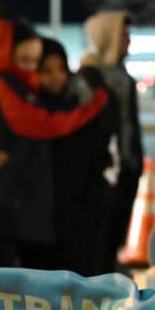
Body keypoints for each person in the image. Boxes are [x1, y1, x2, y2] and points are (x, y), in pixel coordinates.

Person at [0, 12, 108, 268]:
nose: (33, 73)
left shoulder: (11, 86)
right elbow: (45, 123)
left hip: (16, 215)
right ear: (4, 55)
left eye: (34, 63)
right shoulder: (2, 89)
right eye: (26, 62)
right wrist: (94, 105)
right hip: (2, 213)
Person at [37, 38, 117, 277]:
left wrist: (99, 200)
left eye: (61, 69)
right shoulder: (28, 113)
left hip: (82, 220)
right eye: (47, 70)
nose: (56, 77)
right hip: (41, 229)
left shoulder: (83, 109)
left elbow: (103, 158)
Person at [80, 11, 144, 268]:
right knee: (96, 245)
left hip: (126, 169)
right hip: (102, 174)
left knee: (113, 241)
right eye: (123, 35)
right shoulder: (89, 76)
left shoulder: (123, 77)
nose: (128, 42)